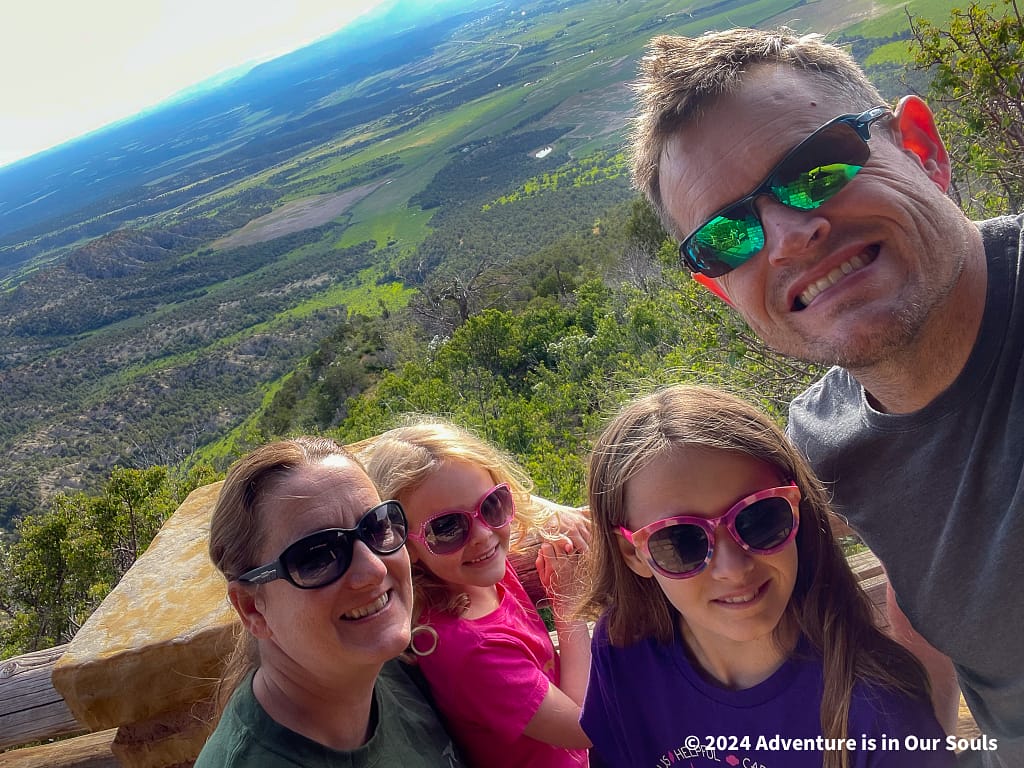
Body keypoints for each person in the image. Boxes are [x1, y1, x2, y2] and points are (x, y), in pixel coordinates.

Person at [627, 28, 1022, 767]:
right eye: (727, 236)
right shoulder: (823, 439)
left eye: (815, 165)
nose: (786, 237)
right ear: (719, 289)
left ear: (922, 147)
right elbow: (919, 594)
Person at [578, 384, 953, 768]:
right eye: (681, 540)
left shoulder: (880, 715)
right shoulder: (625, 649)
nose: (733, 568)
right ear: (632, 554)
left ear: (797, 509)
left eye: (759, 518)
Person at [195, 436, 463, 767]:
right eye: (318, 556)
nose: (374, 568)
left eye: (376, 527)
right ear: (252, 608)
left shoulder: (382, 664)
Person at [352, 419, 591, 768]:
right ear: (406, 546)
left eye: (493, 504)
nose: (482, 534)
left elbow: (485, 496)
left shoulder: (469, 568)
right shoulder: (470, 650)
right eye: (447, 527)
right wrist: (567, 600)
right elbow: (583, 728)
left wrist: (559, 514)